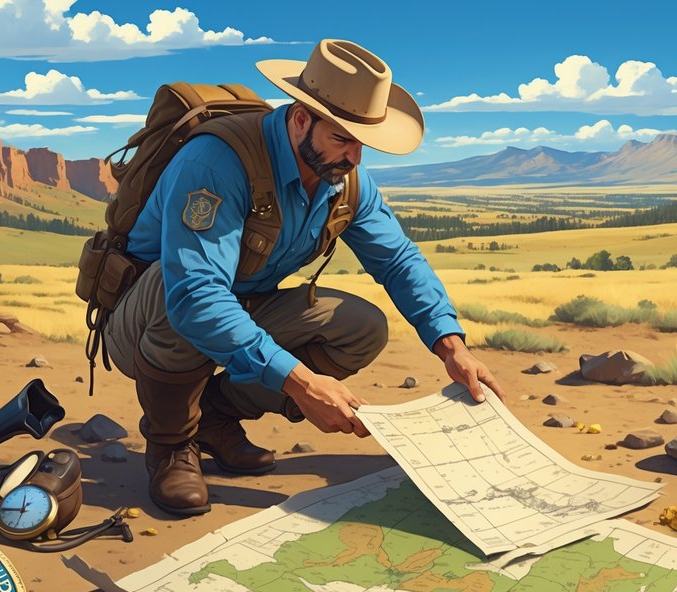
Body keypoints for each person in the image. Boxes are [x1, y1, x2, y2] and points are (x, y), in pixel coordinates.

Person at [102, 39, 505, 517]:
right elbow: (196, 296)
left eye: (363, 144)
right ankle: (171, 445)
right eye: (343, 139)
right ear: (300, 120)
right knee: (181, 292)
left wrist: (451, 345)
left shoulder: (344, 178)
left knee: (360, 327)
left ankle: (213, 414)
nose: (355, 157)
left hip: (238, 308)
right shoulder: (215, 162)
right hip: (146, 325)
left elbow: (397, 260)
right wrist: (300, 382)